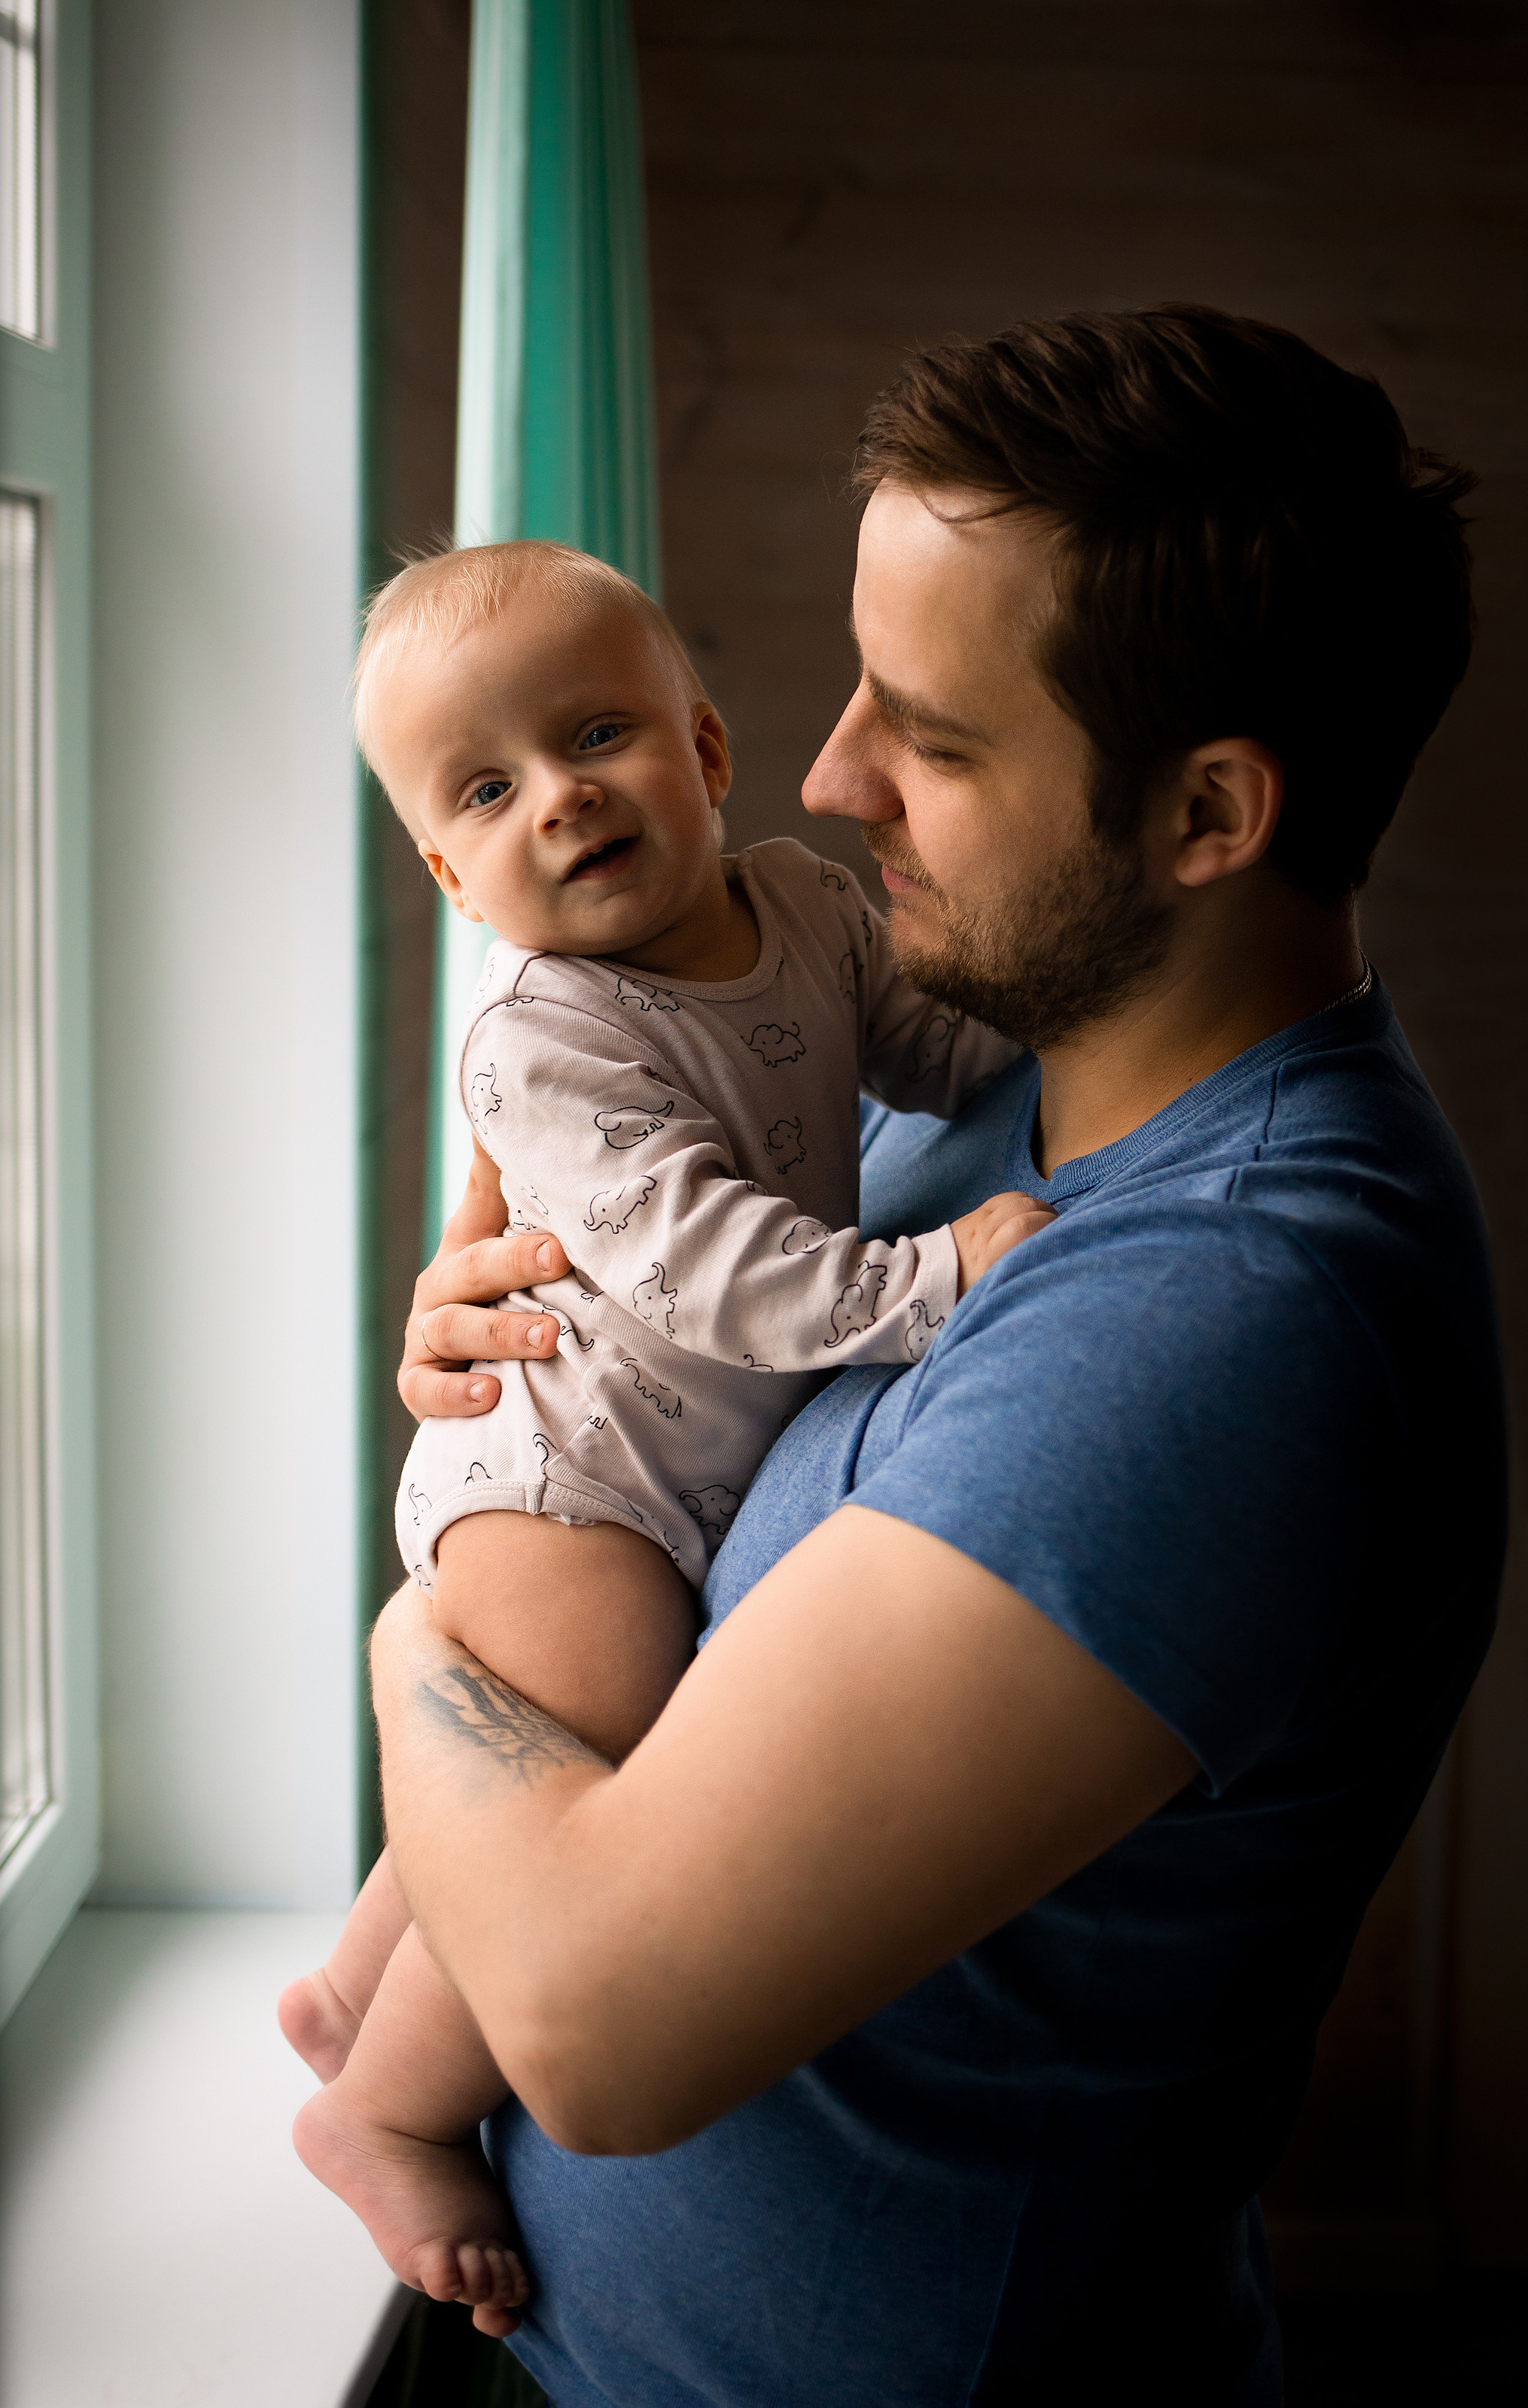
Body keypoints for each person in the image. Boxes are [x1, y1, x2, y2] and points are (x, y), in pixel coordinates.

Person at [370, 306, 1507, 2406]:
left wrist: (427, 1607)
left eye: (934, 738)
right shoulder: (1006, 1080)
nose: (822, 778)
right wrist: (520, 1363)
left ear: (1207, 812)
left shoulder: (1221, 1322)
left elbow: (596, 2030)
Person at [279, 539, 1037, 2327]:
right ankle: (385, 2111)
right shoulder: (537, 1040)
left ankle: (351, 1990)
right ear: (447, 870)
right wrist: (930, 1279)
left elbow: (925, 1051)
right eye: (483, 790)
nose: (555, 797)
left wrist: (1036, 1046)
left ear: (702, 749)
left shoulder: (805, 907)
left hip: (668, 1465)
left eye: (592, 734)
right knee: (585, 1740)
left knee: (531, 1737)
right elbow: (702, 1263)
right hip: (565, 1479)